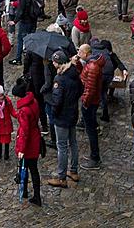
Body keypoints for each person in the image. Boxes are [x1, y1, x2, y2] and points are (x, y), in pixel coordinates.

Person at [47, 50, 83, 188]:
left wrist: (54, 113)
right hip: (73, 113)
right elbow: (81, 90)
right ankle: (73, 170)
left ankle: (61, 177)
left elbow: (57, 101)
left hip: (62, 116)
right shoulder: (74, 73)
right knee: (73, 142)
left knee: (61, 146)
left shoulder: (59, 79)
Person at [12, 77, 43, 206]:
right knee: (33, 168)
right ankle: (33, 194)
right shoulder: (33, 102)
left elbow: (24, 133)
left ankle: (28, 192)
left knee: (25, 167)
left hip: (28, 143)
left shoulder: (24, 110)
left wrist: (21, 150)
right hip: (35, 138)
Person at [78, 44, 106, 170]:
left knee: (91, 131)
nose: (78, 54)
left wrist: (84, 102)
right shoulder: (91, 64)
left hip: (90, 103)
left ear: (86, 53)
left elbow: (90, 88)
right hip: (91, 101)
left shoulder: (93, 66)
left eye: (80, 52)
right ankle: (93, 155)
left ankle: (95, 158)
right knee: (90, 129)